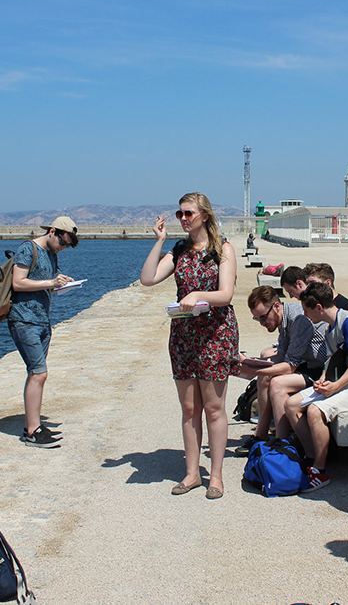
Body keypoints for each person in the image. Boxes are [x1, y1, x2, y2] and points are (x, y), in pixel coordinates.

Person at [140, 192, 238, 499]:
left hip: (215, 334)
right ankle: (192, 473)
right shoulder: (179, 250)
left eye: (189, 213)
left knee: (213, 407)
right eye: (180, 213)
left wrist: (197, 294)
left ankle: (217, 476)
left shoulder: (222, 250)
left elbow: (225, 295)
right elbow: (147, 278)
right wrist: (159, 241)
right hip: (183, 335)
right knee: (189, 407)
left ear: (204, 216)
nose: (183, 218)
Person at [284, 282, 348, 492]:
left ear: (319, 307)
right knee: (291, 405)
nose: (305, 315)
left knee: (314, 411)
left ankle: (320, 472)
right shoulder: (330, 327)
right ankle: (312, 458)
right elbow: (331, 361)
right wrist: (322, 379)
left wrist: (335, 386)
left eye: (307, 310)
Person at [8, 216, 78, 447]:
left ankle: (34, 424)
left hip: (41, 320)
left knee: (36, 374)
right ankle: (32, 431)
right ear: (52, 232)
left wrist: (63, 283)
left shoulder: (52, 254)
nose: (63, 248)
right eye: (63, 243)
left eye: (67, 245)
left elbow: (46, 283)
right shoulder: (28, 249)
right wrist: (51, 283)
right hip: (24, 319)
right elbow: (18, 283)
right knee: (39, 373)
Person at [235, 285, 327, 455]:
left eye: (263, 317)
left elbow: (289, 366)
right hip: (307, 364)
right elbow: (283, 355)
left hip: (321, 370)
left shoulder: (298, 319)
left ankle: (282, 442)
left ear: (276, 306)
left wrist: (253, 370)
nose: (262, 323)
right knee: (266, 374)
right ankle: (262, 434)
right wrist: (250, 362)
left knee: (276, 382)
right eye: (257, 319)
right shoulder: (283, 318)